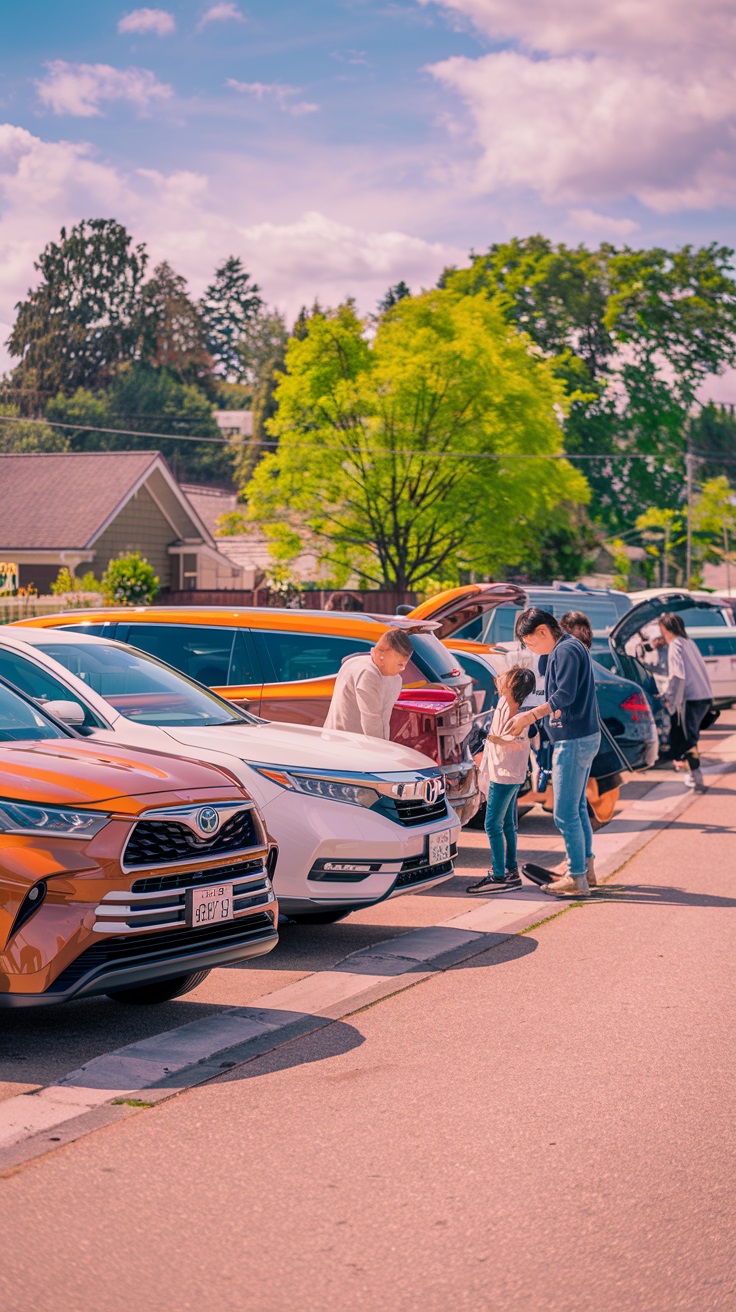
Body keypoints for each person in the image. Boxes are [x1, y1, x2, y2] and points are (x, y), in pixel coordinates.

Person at [509, 608, 601, 898]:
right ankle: (585, 871)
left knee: (563, 812)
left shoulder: (565, 650)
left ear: (542, 632)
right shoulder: (571, 647)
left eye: (530, 642)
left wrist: (528, 717)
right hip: (582, 736)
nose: (530, 649)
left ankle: (576, 877)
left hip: (574, 739)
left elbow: (564, 695)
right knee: (575, 808)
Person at [468, 665, 537, 895]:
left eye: (505, 678)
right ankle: (511, 871)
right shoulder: (503, 703)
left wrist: (492, 738)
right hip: (504, 773)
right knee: (507, 824)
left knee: (492, 824)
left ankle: (499, 874)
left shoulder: (520, 716)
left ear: (512, 686)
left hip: (505, 775)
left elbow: (510, 739)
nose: (500, 679)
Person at [323, 628, 412, 739]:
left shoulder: (394, 678)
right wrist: (381, 750)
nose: (403, 668)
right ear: (381, 656)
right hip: (345, 745)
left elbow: (382, 719)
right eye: (399, 664)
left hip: (349, 743)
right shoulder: (368, 674)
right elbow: (372, 721)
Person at [659, 612, 713, 792]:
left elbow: (677, 676)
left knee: (688, 740)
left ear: (666, 629)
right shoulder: (689, 643)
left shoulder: (675, 645)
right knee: (690, 738)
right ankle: (692, 775)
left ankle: (697, 780)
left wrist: (670, 699)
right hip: (704, 696)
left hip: (690, 698)